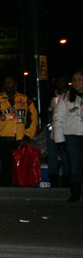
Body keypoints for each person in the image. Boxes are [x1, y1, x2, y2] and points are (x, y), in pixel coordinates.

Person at [0, 76, 38, 187]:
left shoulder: (24, 99)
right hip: (3, 137)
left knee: (19, 164)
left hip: (20, 138)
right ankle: (4, 186)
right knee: (5, 164)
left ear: (15, 84)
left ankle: (19, 184)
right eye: (6, 83)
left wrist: (28, 135)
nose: (8, 85)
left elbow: (33, 119)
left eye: (10, 82)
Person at [52, 71, 83, 202]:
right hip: (71, 135)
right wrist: (59, 139)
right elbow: (58, 117)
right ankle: (75, 192)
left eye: (80, 79)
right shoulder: (66, 97)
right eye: (74, 80)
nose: (77, 82)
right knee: (74, 165)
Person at [46, 76, 70, 187]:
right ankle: (54, 179)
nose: (60, 83)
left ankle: (67, 178)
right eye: (58, 81)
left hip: (67, 128)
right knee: (52, 153)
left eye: (63, 81)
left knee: (66, 153)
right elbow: (45, 111)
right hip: (52, 127)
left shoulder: (71, 95)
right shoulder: (50, 95)